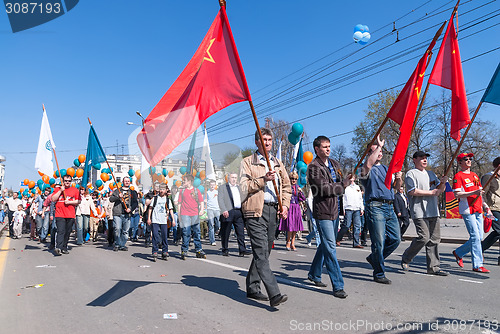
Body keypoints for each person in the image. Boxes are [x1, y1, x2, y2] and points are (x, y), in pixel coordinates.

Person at [240, 127, 291, 308]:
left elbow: (286, 186)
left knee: (264, 252)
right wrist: (263, 179)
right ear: (256, 142)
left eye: (269, 140)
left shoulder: (277, 162)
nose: (267, 143)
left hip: (272, 211)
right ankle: (274, 293)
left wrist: (284, 205)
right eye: (264, 140)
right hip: (255, 212)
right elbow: (243, 187)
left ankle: (252, 287)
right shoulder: (247, 162)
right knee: (261, 252)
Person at [307, 135, 349, 299]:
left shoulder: (335, 164)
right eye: (325, 147)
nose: (328, 149)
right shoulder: (313, 167)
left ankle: (314, 274)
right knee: (331, 248)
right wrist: (343, 184)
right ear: (317, 149)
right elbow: (324, 189)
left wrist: (347, 179)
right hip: (323, 212)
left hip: (335, 211)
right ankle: (338, 285)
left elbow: (339, 182)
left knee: (325, 245)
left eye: (329, 146)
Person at [360, 135, 402, 284]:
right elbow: (368, 165)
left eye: (380, 151)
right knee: (378, 242)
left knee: (396, 239)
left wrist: (399, 177)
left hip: (389, 206)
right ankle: (379, 273)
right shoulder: (364, 169)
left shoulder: (387, 168)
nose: (379, 152)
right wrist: (379, 146)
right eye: (374, 151)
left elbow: (397, 188)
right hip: (375, 206)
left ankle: (374, 259)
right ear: (368, 154)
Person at [400, 151, 448, 276]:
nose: (424, 160)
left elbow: (439, 191)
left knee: (435, 239)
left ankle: (434, 267)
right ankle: (406, 257)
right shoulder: (411, 173)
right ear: (414, 160)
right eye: (421, 158)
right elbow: (412, 191)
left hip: (433, 210)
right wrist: (431, 192)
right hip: (419, 211)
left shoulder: (431, 174)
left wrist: (443, 182)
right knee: (424, 237)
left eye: (426, 158)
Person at [452, 153, 491, 273]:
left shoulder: (474, 175)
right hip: (467, 209)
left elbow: (479, 193)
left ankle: (459, 252)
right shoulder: (458, 176)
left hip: (478, 208)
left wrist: (486, 207)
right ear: (460, 162)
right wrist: (473, 192)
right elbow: (457, 194)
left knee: (478, 238)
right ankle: (477, 265)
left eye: (470, 159)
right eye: (466, 159)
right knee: (475, 237)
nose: (469, 160)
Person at [217, 173, 251, 257]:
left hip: (238, 212)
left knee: (240, 232)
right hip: (228, 212)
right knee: (226, 232)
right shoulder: (223, 187)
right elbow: (220, 199)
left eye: (235, 177)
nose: (234, 179)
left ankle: (242, 250)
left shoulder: (239, 188)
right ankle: (225, 249)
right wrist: (224, 209)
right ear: (228, 178)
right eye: (232, 177)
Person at [178, 174, 206, 260]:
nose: (183, 182)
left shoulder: (196, 190)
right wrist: (179, 214)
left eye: (185, 181)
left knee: (197, 232)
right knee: (186, 232)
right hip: (185, 213)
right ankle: (184, 249)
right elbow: (179, 203)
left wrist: (202, 210)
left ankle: (198, 249)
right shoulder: (182, 191)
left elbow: (201, 202)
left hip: (195, 213)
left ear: (189, 182)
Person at [51, 175, 81, 255]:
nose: (67, 182)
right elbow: (53, 199)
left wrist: (69, 202)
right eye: (65, 181)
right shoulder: (57, 189)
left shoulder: (75, 190)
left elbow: (78, 201)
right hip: (60, 214)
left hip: (70, 214)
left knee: (67, 232)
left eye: (69, 181)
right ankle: (58, 247)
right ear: (63, 181)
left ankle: (64, 247)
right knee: (61, 231)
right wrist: (60, 191)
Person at [278, 171, 305, 251]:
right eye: (292, 178)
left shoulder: (298, 187)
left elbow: (302, 198)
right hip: (290, 206)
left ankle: (293, 243)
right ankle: (288, 242)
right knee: (290, 226)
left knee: (295, 227)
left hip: (296, 207)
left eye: (295, 179)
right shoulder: (287, 187)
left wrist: (301, 193)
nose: (293, 180)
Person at [110, 177, 138, 252]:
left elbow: (135, 203)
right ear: (123, 182)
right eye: (125, 181)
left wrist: (130, 209)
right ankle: (117, 244)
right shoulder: (117, 191)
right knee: (117, 229)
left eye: (128, 181)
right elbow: (111, 199)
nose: (127, 182)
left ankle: (122, 245)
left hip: (127, 214)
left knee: (125, 231)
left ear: (130, 182)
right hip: (118, 213)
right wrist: (118, 197)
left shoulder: (133, 192)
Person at [147, 183, 174, 261]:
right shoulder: (155, 198)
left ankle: (165, 251)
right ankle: (155, 251)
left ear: (166, 190)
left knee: (164, 236)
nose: (161, 191)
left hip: (164, 220)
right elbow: (150, 208)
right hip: (155, 219)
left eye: (163, 189)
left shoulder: (167, 200)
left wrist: (173, 219)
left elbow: (171, 209)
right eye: (160, 189)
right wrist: (149, 218)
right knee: (155, 235)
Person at [481, 157, 500, 266]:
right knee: (498, 231)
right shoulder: (489, 176)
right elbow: (483, 193)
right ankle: (481, 249)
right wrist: (486, 207)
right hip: (493, 208)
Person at [337, 175, 364, 248]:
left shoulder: (357, 187)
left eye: (352, 178)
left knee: (357, 226)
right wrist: (344, 209)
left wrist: (362, 208)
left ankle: (356, 243)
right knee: (346, 225)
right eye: (349, 178)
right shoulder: (346, 188)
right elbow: (343, 199)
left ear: (354, 178)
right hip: (348, 208)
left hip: (356, 208)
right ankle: (338, 238)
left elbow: (360, 198)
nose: (351, 179)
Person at [206, 180, 221, 246]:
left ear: (215, 185)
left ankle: (215, 231)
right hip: (210, 209)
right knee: (211, 224)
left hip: (217, 209)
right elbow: (205, 201)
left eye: (213, 185)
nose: (212, 186)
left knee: (218, 224)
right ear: (209, 185)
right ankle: (212, 240)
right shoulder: (207, 193)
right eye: (211, 185)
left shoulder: (217, 192)